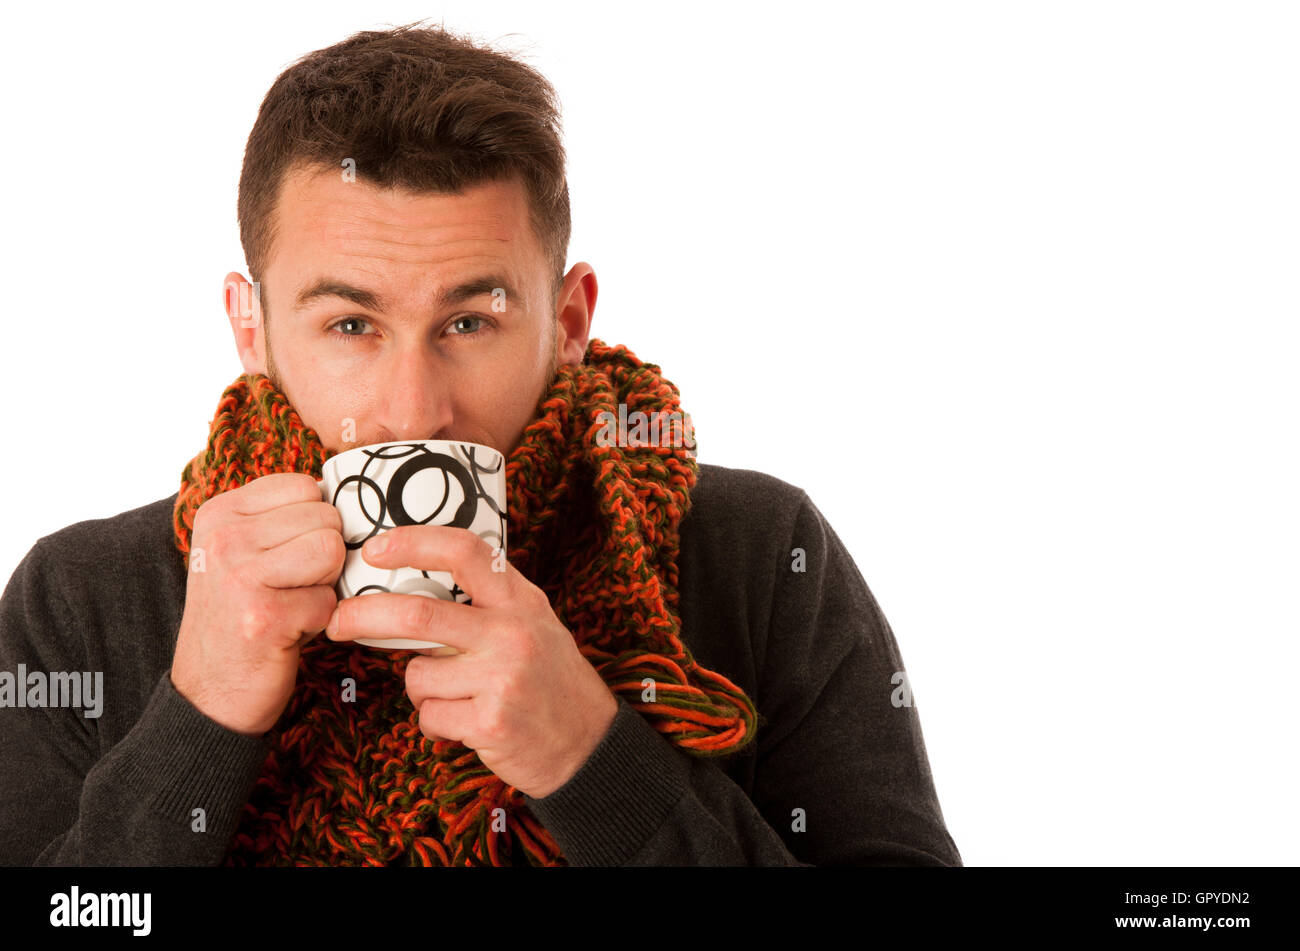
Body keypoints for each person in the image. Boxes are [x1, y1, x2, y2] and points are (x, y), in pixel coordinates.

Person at [0, 21, 961, 866]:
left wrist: (594, 762)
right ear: (251, 330)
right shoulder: (83, 596)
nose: (414, 412)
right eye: (350, 325)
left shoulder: (760, 555)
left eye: (470, 322)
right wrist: (197, 719)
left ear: (569, 320)